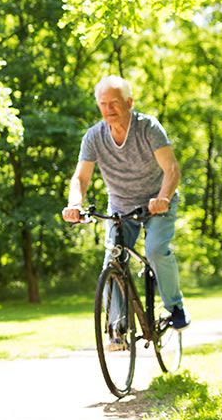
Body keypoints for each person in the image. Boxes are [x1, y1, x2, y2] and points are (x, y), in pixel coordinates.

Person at [60, 75, 190, 331]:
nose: (108, 109)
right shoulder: (94, 136)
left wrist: (163, 198)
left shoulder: (148, 128)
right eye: (103, 103)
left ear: (129, 102)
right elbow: (81, 178)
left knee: (154, 250)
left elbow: (172, 169)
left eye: (115, 103)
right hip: (121, 206)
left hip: (157, 202)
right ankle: (117, 328)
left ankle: (175, 307)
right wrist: (74, 204)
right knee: (113, 259)